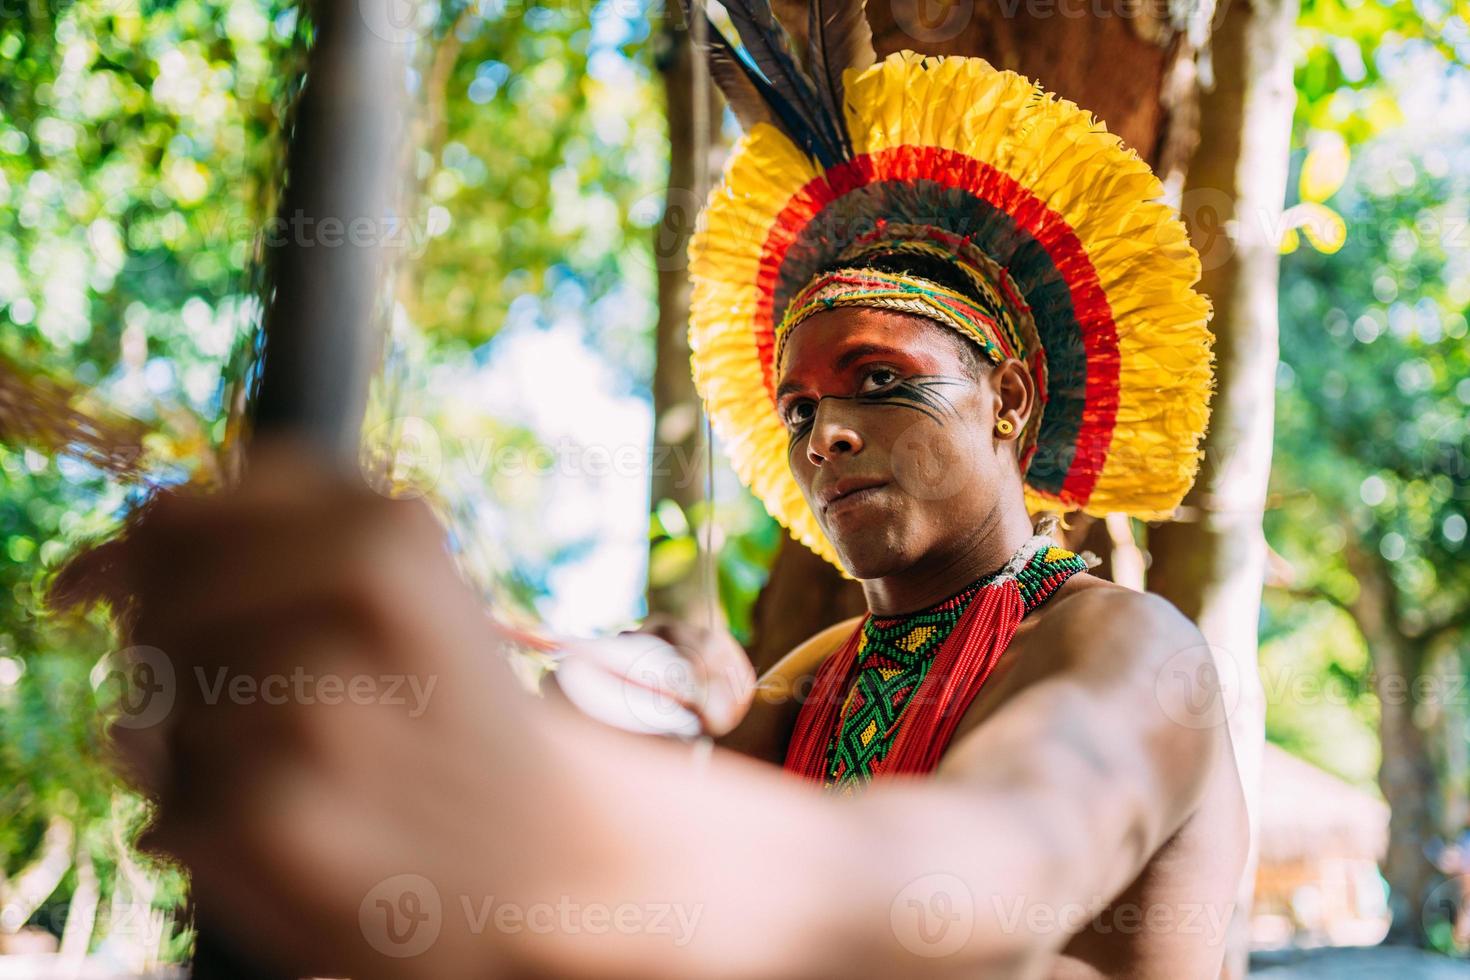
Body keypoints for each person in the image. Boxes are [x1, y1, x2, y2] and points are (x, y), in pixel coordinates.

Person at [73, 33, 1250, 980]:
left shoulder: (1132, 647)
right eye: (798, 409)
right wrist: (537, 700)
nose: (826, 432)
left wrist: (519, 801)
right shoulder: (814, 675)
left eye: (882, 382)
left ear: (1011, 398)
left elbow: (962, 892)